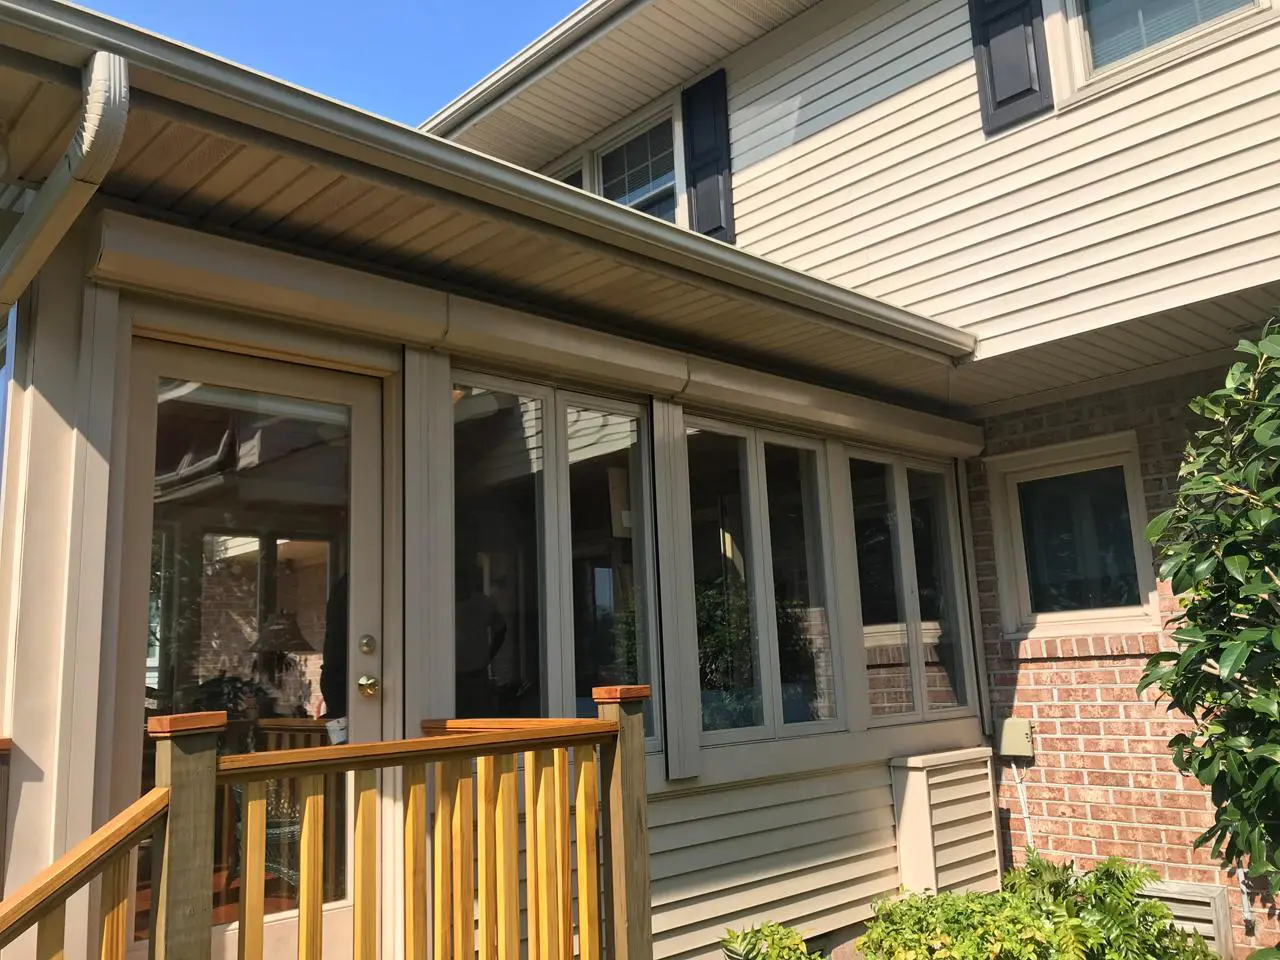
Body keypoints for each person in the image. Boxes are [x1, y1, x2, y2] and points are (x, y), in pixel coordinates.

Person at [455, 566, 508, 717]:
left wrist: (489, 657)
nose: (461, 584)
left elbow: (501, 629)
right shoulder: (443, 604)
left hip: (477, 675)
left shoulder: (483, 603)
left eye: (464, 580)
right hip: (452, 676)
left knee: (480, 717)